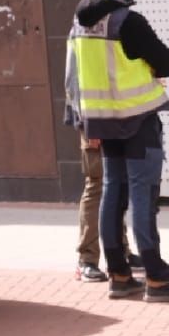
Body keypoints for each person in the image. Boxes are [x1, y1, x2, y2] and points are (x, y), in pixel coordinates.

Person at [71, 0, 169, 302]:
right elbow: (167, 63)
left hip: (103, 122)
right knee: (143, 196)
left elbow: (75, 75)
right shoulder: (128, 21)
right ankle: (158, 279)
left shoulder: (80, 23)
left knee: (112, 194)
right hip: (137, 120)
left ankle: (118, 275)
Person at [64, 40, 138, 283]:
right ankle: (86, 260)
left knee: (117, 184)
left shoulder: (109, 23)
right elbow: (74, 80)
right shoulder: (83, 27)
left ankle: (121, 249)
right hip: (94, 120)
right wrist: (87, 123)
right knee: (97, 185)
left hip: (116, 118)